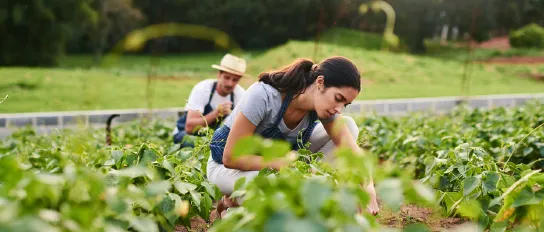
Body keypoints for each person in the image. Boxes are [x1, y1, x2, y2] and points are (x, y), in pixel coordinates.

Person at [206, 56, 380, 217]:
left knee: (348, 125)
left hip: (276, 165)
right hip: (227, 167)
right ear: (320, 82)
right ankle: (232, 209)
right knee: (275, 187)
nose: (338, 109)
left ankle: (309, 194)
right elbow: (230, 157)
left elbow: (353, 151)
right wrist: (288, 166)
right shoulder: (264, 95)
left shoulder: (326, 108)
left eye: (345, 104)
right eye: (338, 98)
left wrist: (369, 187)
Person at [173, 53, 247, 147]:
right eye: (227, 77)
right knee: (199, 145)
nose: (230, 84)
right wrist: (216, 114)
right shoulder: (203, 89)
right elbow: (189, 127)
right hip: (186, 134)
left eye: (235, 80)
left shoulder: (240, 94)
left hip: (212, 138)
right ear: (219, 75)